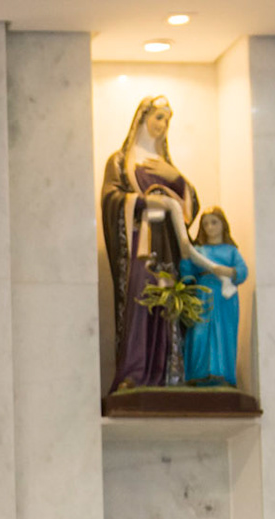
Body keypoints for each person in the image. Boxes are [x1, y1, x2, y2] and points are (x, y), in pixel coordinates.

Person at [102, 96, 201, 391]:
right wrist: (144, 202)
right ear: (142, 117)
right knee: (141, 298)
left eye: (168, 121)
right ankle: (135, 371)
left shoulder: (167, 165)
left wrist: (178, 180)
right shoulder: (121, 161)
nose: (163, 125)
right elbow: (111, 199)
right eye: (159, 117)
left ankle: (168, 373)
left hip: (168, 244)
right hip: (140, 243)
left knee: (169, 299)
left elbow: (190, 210)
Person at [180, 207, 247, 388]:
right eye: (206, 224)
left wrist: (229, 271)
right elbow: (186, 274)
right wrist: (186, 257)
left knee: (223, 333)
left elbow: (243, 271)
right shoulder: (199, 251)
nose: (210, 227)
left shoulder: (231, 251)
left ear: (223, 225)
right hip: (203, 295)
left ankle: (222, 374)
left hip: (224, 298)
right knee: (200, 332)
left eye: (214, 222)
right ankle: (199, 373)